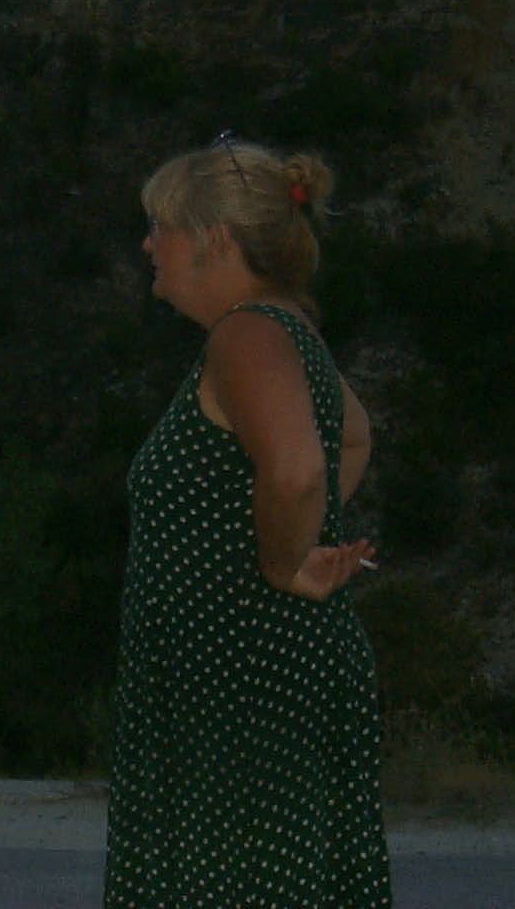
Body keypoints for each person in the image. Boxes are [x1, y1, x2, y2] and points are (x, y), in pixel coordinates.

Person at [103, 133, 392, 907]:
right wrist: (302, 535)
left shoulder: (248, 334)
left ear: (216, 239)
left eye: (161, 227)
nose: (148, 245)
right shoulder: (287, 330)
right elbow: (351, 438)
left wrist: (283, 562)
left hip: (242, 687)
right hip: (267, 672)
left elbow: (298, 468)